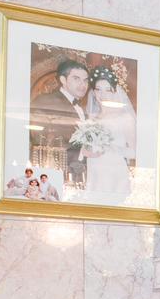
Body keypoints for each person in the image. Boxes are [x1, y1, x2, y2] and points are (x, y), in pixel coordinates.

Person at [29, 59, 92, 191]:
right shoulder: (46, 101)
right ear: (63, 80)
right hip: (54, 176)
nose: (83, 85)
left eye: (86, 80)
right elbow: (40, 140)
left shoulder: (82, 107)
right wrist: (81, 151)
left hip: (78, 178)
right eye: (76, 79)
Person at [81, 67, 135, 204]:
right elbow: (85, 149)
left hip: (115, 173)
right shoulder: (91, 118)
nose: (102, 94)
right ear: (93, 92)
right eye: (98, 89)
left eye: (107, 89)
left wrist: (111, 149)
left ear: (115, 91)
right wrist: (87, 151)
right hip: (94, 173)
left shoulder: (124, 117)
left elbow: (135, 152)